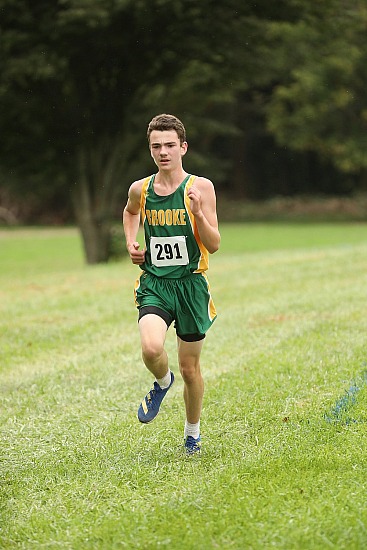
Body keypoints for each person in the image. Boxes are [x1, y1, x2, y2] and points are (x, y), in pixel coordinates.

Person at [122, 113, 220, 455]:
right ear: (150, 150)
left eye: (169, 145)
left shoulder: (200, 187)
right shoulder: (142, 189)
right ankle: (162, 383)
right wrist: (132, 243)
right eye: (156, 146)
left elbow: (215, 243)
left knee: (190, 368)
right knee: (151, 348)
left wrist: (198, 214)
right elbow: (131, 211)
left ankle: (192, 433)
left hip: (191, 287)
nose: (163, 152)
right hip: (156, 284)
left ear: (183, 147)